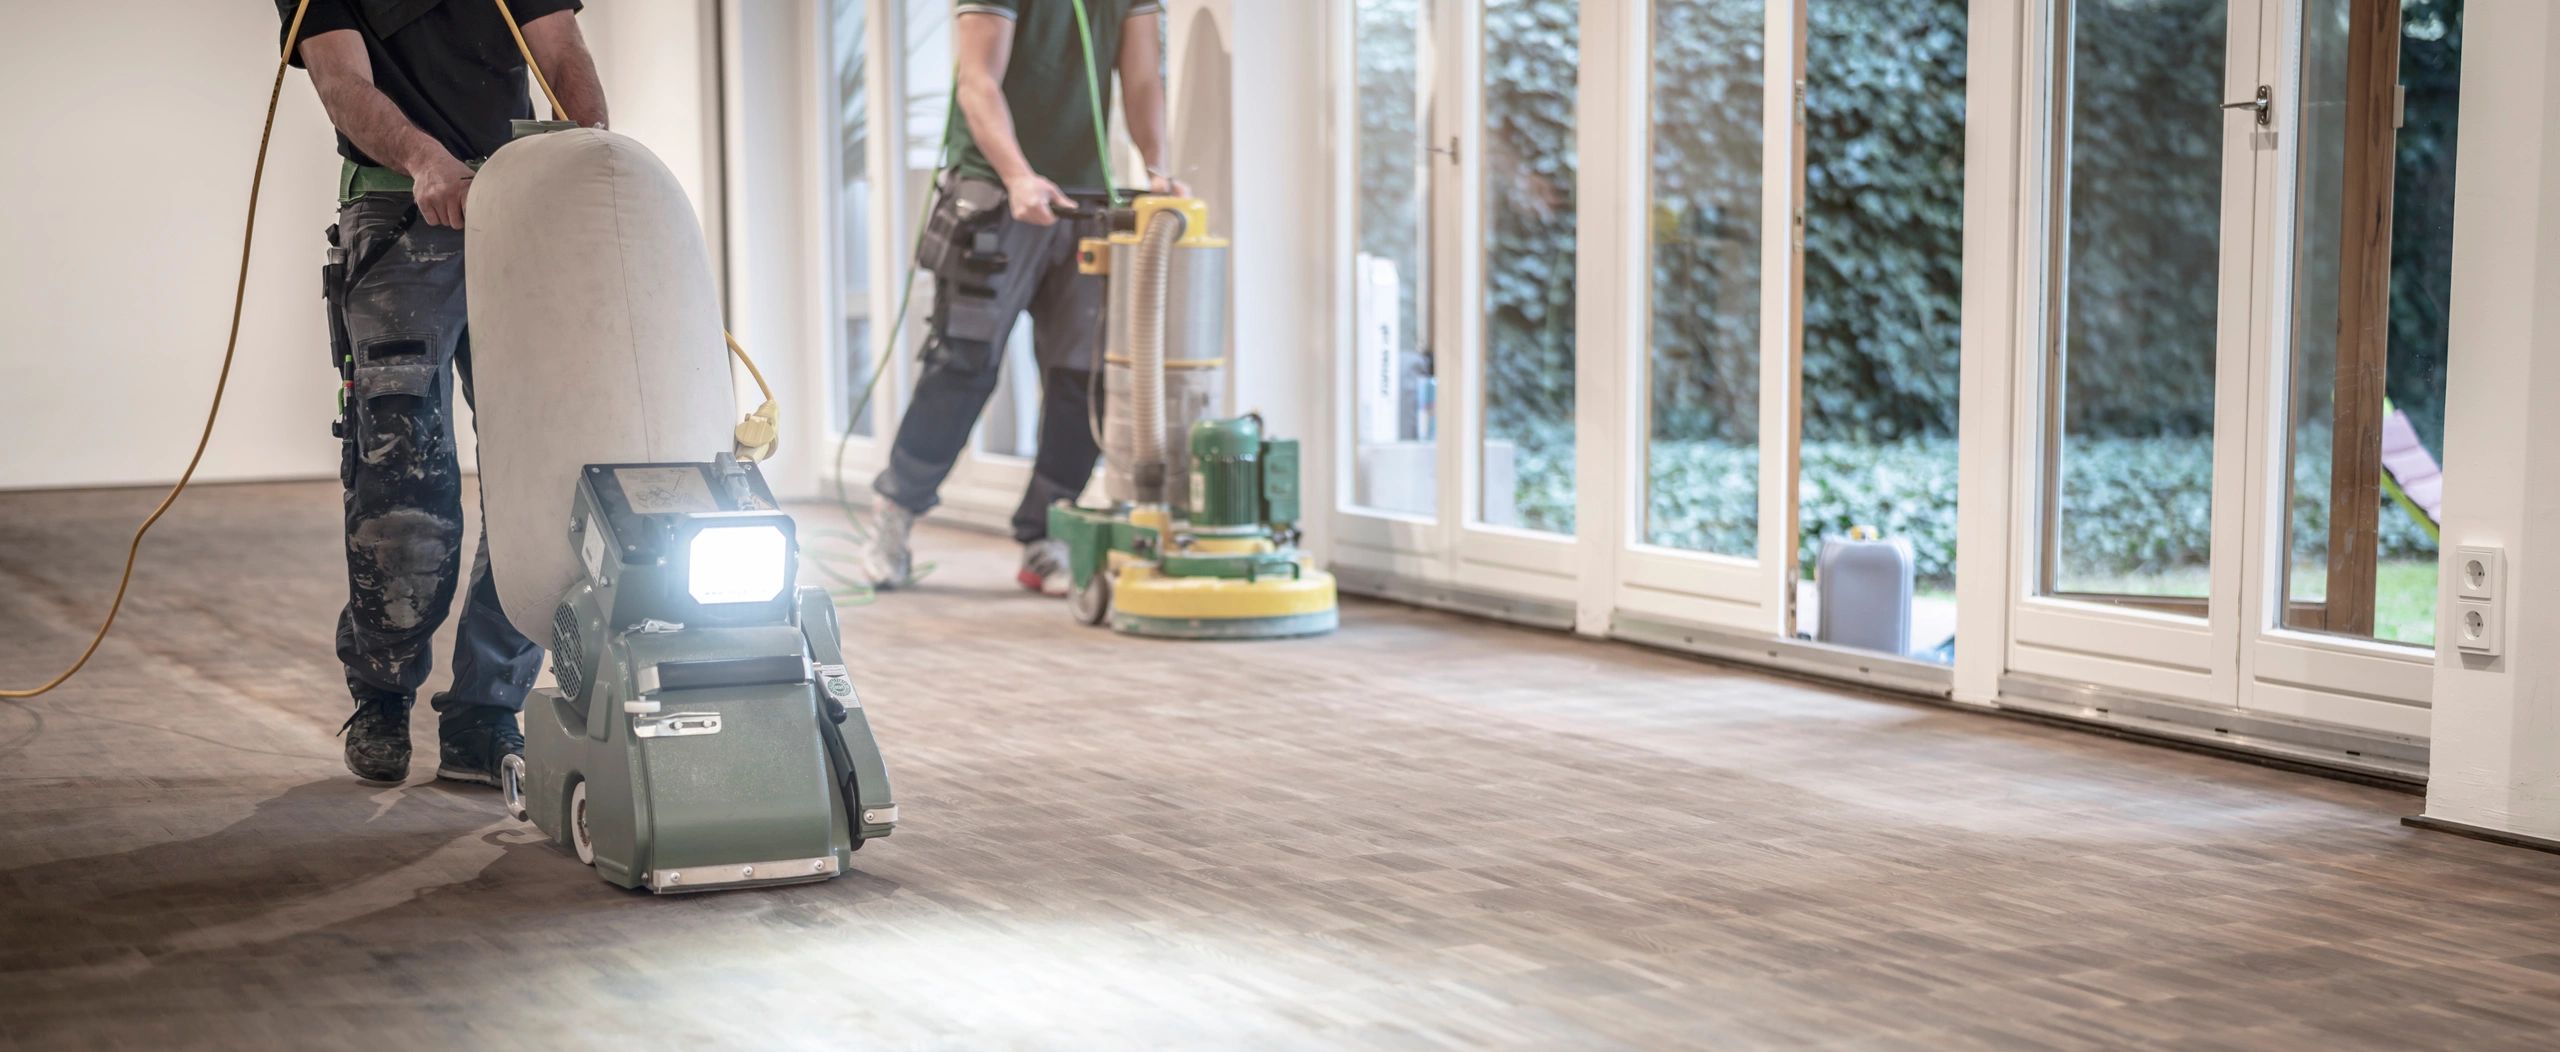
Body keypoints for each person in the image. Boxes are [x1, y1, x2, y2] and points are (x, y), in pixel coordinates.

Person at [280, 0, 608, 785]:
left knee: (540, 479)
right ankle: (384, 691)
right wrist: (427, 160)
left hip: (520, 208)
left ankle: (485, 713)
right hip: (398, 212)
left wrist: (587, 150)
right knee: (403, 483)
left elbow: (561, 51)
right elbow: (340, 80)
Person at [860, 0, 1186, 595]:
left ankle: (1047, 533)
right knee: (962, 364)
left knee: (1083, 376)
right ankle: (895, 510)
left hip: (1086, 200)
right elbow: (977, 81)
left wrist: (1157, 167)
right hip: (995, 189)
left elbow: (1142, 78)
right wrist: (1016, 176)